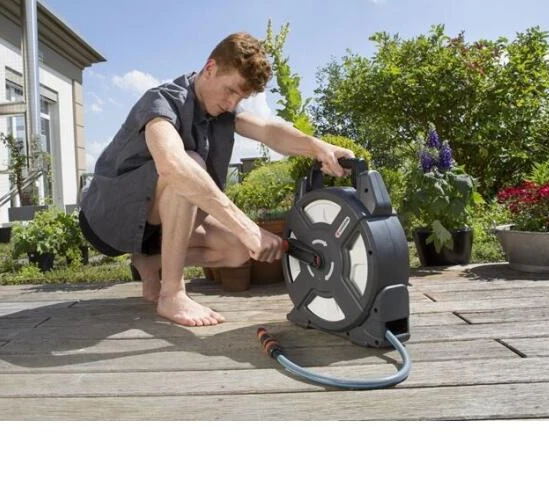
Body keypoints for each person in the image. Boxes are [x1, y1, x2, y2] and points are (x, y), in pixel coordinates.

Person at [79, 32, 354, 327]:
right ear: (210, 68)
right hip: (107, 220)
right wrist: (247, 227)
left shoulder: (223, 111)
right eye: (230, 91)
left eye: (241, 98)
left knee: (238, 250)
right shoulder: (163, 101)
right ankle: (172, 294)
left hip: (153, 225)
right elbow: (173, 166)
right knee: (188, 165)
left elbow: (268, 130)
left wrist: (317, 147)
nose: (232, 103)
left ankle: (149, 263)